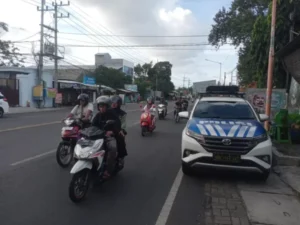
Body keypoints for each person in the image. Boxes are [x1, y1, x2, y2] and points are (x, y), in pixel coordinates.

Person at [92, 96, 121, 178]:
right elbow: (92, 125)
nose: (102, 108)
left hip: (108, 136)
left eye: (103, 106)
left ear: (107, 107)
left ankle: (108, 170)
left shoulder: (112, 114)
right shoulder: (98, 115)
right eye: (100, 106)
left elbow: (118, 125)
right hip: (98, 136)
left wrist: (112, 131)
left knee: (112, 148)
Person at [111, 95, 128, 164]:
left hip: (118, 130)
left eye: (115, 103)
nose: (113, 104)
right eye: (112, 102)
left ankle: (121, 156)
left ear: (119, 104)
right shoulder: (108, 111)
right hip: (108, 130)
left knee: (120, 139)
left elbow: (123, 124)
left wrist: (122, 130)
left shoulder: (122, 114)